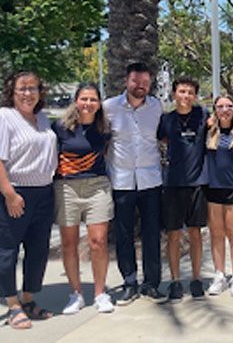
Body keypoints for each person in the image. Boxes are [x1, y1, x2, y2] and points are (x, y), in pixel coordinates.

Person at [0, 71, 58, 329]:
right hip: (16, 193)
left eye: (32, 88)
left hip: (44, 192)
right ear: (12, 92)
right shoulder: (5, 117)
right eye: (21, 89)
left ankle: (29, 299)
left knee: (38, 250)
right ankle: (13, 305)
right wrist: (10, 194)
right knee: (8, 251)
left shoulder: (42, 119)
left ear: (40, 91)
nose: (27, 93)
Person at [104, 62, 165, 304]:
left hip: (150, 181)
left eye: (145, 83)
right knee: (124, 234)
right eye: (135, 81)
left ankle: (152, 283)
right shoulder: (109, 107)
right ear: (126, 82)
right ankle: (129, 281)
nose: (140, 86)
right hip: (121, 181)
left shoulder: (156, 107)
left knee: (152, 234)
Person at [52, 83, 114, 314]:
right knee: (69, 243)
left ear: (99, 103)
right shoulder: (60, 127)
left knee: (97, 242)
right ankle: (75, 293)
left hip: (97, 186)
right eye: (84, 99)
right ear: (76, 100)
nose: (88, 104)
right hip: (66, 188)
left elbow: (105, 153)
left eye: (93, 100)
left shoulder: (104, 128)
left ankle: (100, 293)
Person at [158, 77, 208, 302]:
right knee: (174, 235)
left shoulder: (203, 115)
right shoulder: (166, 120)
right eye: (182, 91)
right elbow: (163, 141)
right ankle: (175, 281)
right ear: (174, 94)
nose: (185, 96)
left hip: (198, 184)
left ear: (195, 96)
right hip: (173, 184)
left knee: (196, 233)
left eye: (190, 92)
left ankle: (196, 279)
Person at [205, 95, 233, 297]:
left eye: (229, 106)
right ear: (215, 109)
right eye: (220, 106)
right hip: (213, 189)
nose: (225, 110)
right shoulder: (209, 131)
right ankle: (220, 275)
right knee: (217, 234)